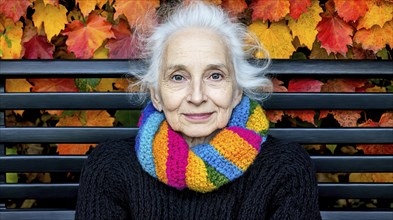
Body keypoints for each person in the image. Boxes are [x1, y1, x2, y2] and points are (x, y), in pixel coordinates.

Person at [75, 1, 321, 219]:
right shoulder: (110, 167)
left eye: (215, 75)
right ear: (156, 95)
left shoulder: (285, 168)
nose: (196, 96)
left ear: (236, 91)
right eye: (178, 77)